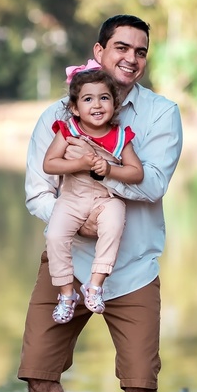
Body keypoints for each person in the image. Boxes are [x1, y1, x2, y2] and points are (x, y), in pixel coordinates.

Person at [20, 14, 183, 392]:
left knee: (140, 377)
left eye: (140, 51)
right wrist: (77, 217)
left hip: (132, 267)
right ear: (98, 50)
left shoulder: (160, 113)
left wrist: (97, 168)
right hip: (66, 262)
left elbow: (152, 184)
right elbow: (37, 191)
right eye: (121, 48)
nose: (130, 58)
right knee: (38, 367)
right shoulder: (57, 115)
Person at [42, 66, 145, 322]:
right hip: (72, 198)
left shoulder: (121, 137)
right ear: (75, 108)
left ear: (115, 103)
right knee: (55, 235)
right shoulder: (68, 131)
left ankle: (95, 285)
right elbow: (49, 164)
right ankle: (67, 294)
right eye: (88, 99)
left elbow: (136, 173)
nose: (97, 105)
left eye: (104, 98)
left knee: (114, 220)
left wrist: (109, 168)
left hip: (104, 199)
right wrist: (79, 164)